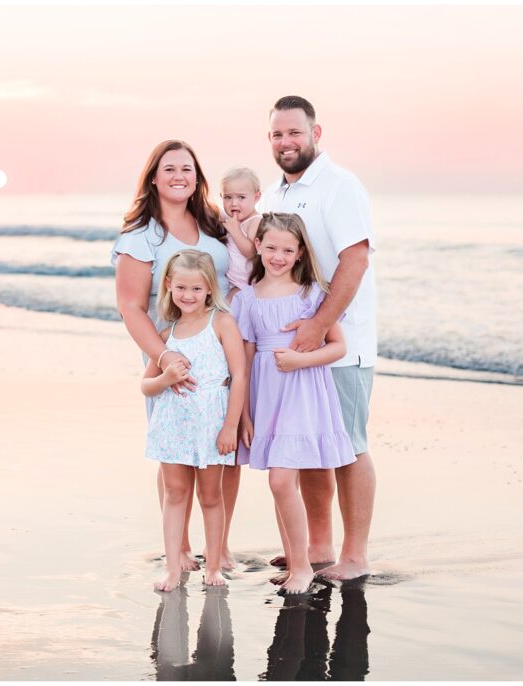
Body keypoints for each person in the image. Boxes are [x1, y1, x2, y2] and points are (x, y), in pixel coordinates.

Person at [261, 96, 378, 581]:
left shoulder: (339, 186)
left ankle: (355, 555)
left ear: (316, 133)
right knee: (310, 444)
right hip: (295, 348)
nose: (286, 142)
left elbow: (355, 262)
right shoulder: (274, 194)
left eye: (294, 133)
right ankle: (318, 545)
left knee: (348, 444)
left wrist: (316, 325)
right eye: (277, 135)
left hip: (341, 343)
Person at [112, 140, 242, 571]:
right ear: (153, 177)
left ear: (197, 177)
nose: (178, 176)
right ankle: (180, 548)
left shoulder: (214, 222)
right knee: (176, 449)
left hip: (222, 347)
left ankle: (218, 549)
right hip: (171, 350)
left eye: (187, 168)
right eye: (169, 169)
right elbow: (131, 307)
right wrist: (165, 357)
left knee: (224, 449)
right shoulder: (141, 236)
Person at [232, 213, 355, 594]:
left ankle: (302, 567)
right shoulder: (248, 299)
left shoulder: (312, 294)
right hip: (266, 393)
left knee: (281, 479)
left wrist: (300, 359)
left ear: (300, 252)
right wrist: (244, 414)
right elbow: (245, 359)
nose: (278, 256)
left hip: (303, 390)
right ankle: (293, 559)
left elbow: (338, 347)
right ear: (258, 247)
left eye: (288, 249)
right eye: (271, 247)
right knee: (280, 484)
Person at [142, 250, 246, 591]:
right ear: (169, 286)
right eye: (181, 288)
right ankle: (173, 568)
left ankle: (213, 566)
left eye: (197, 290)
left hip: (211, 422)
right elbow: (147, 385)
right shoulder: (166, 332)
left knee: (211, 496)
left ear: (209, 289)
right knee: (174, 492)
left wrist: (231, 424)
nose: (188, 296)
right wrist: (166, 377)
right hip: (173, 422)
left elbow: (240, 375)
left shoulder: (221, 322)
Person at [219, 166, 262, 301]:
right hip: (232, 283)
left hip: (248, 284)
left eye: (241, 197)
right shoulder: (233, 220)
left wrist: (236, 231)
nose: (234, 203)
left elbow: (252, 252)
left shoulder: (255, 221)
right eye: (228, 197)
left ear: (256, 197)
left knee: (226, 311)